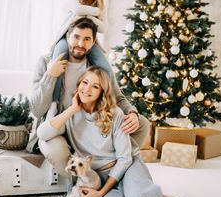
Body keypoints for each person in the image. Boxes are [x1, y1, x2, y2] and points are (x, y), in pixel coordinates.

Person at [37, 66, 199, 197]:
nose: (87, 89)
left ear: (102, 92)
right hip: (97, 176)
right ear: (78, 85)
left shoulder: (115, 114)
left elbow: (124, 159)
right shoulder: (69, 115)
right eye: (84, 83)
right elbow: (42, 133)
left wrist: (100, 194)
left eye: (95, 86)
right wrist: (73, 109)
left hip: (127, 167)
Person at [28, 17, 149, 175]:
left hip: (87, 124)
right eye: (76, 37)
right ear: (67, 37)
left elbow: (117, 97)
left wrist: (132, 113)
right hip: (59, 122)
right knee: (56, 152)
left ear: (93, 43)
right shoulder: (46, 62)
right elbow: (37, 109)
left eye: (86, 39)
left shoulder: (97, 68)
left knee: (142, 123)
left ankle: (114, 167)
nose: (80, 44)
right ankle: (83, 184)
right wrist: (50, 75)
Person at [51, 0, 111, 108]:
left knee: (106, 67)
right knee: (58, 60)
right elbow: (78, 10)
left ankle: (105, 102)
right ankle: (54, 103)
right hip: (68, 38)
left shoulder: (100, 4)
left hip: (89, 40)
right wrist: (96, 13)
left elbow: (103, 28)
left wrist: (88, 16)